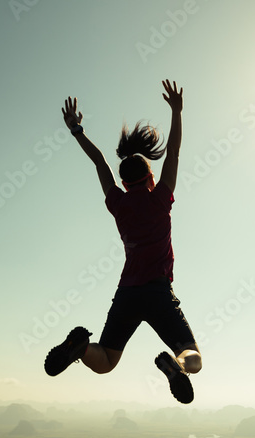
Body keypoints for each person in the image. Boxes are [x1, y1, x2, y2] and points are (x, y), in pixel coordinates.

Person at [44, 80, 201, 404]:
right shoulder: (160, 198)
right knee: (194, 358)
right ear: (149, 176)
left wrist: (77, 131)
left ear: (125, 181)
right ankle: (178, 367)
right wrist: (176, 112)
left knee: (105, 362)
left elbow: (100, 163)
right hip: (158, 292)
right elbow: (174, 151)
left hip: (127, 293)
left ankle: (81, 348)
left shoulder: (117, 202)